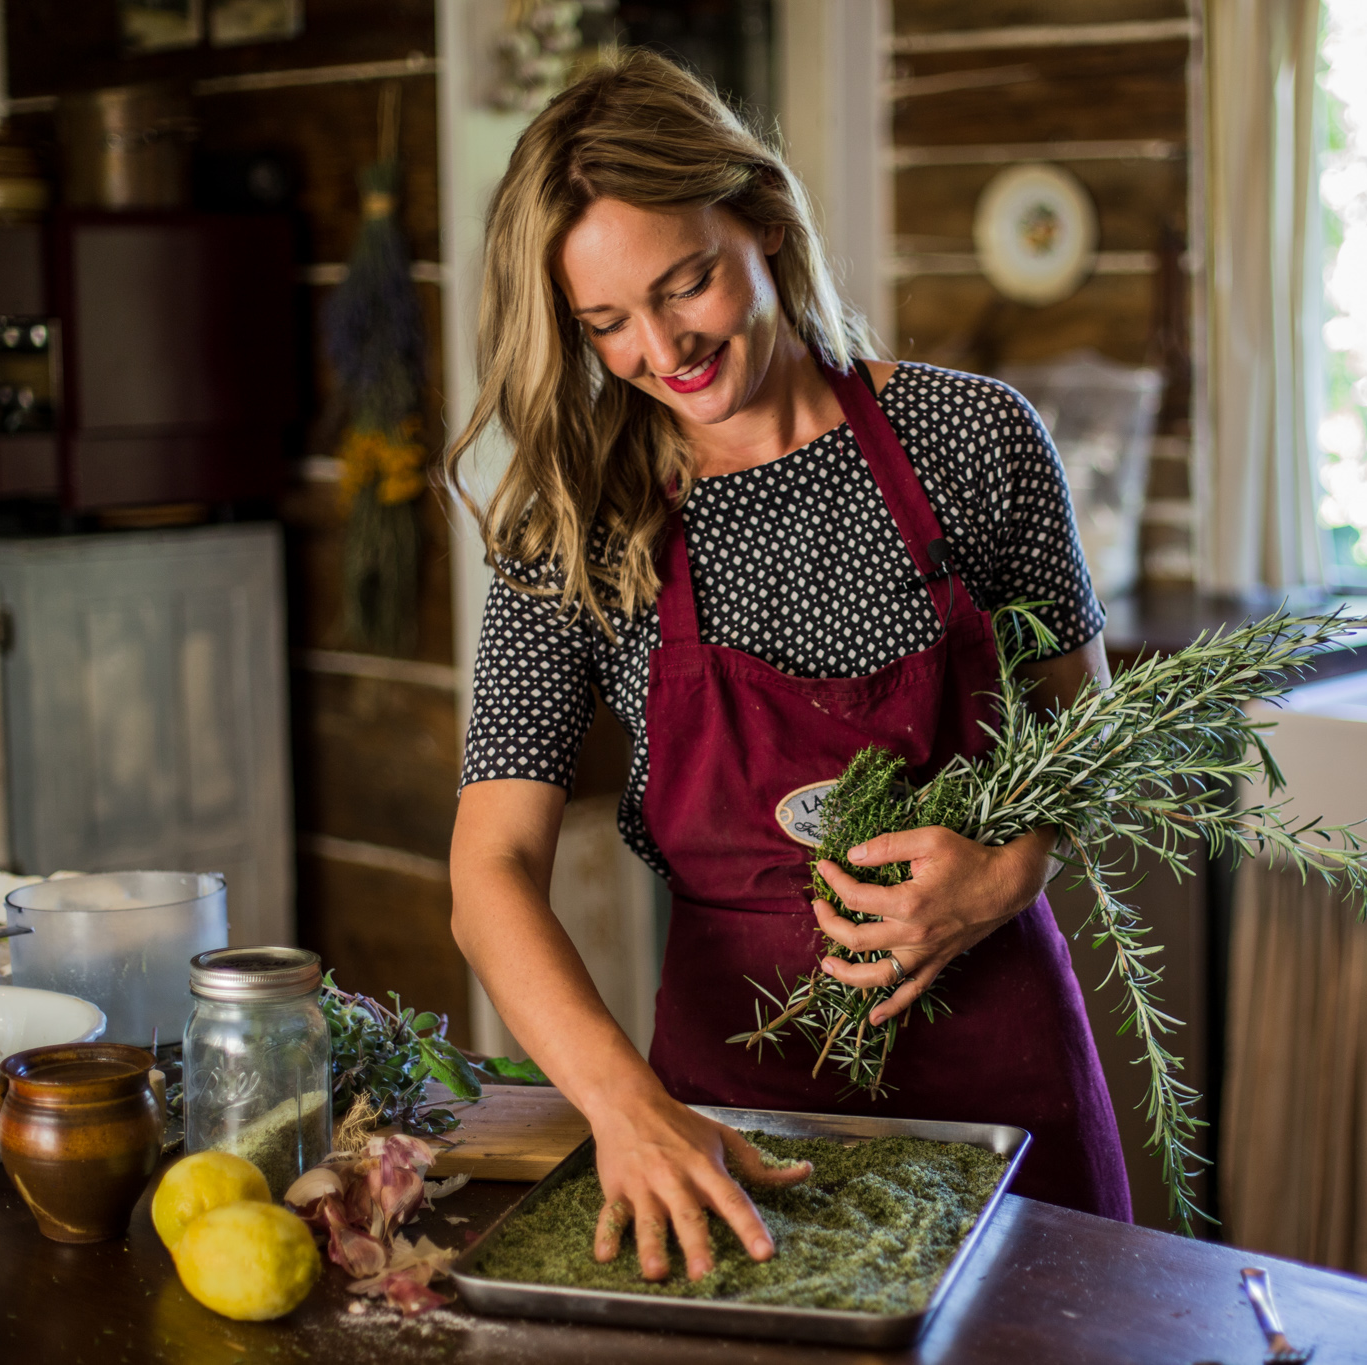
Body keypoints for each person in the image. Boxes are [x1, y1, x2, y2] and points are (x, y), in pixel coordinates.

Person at [445, 50, 1129, 1286]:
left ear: (760, 219)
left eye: (686, 283)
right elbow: (489, 869)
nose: (662, 350)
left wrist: (1007, 870)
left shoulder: (971, 441)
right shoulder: (576, 520)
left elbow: (1088, 741)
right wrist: (625, 1105)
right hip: (726, 1117)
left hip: (1005, 1082)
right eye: (605, 325)